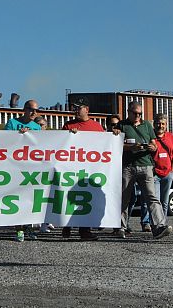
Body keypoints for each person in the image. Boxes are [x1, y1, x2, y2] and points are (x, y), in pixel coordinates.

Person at [118, 102, 172, 240]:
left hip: (146, 165)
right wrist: (131, 147)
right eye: (135, 113)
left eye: (140, 114)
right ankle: (121, 227)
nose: (138, 116)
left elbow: (154, 143)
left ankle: (159, 226)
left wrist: (152, 147)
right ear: (128, 112)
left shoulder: (147, 125)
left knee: (152, 197)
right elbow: (116, 145)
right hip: (128, 166)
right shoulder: (122, 125)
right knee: (125, 197)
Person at [60, 98, 105, 241]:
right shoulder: (68, 125)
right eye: (75, 108)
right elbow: (60, 144)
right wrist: (69, 136)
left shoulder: (97, 127)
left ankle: (84, 230)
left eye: (79, 108)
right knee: (68, 197)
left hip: (89, 169)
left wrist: (115, 135)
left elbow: (105, 146)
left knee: (85, 198)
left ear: (87, 109)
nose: (76, 110)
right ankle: (66, 226)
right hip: (71, 168)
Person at [5, 100, 42, 242]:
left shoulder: (36, 127)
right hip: (15, 166)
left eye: (36, 110)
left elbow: (40, 145)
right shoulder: (12, 123)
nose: (34, 113)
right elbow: (4, 141)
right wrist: (17, 135)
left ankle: (29, 226)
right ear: (24, 110)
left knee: (30, 199)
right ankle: (19, 228)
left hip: (31, 167)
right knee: (17, 198)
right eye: (31, 109)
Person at [139, 114, 173, 231]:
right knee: (154, 200)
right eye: (158, 123)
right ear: (154, 124)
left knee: (165, 202)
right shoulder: (149, 137)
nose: (160, 126)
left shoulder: (171, 137)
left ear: (166, 125)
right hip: (154, 174)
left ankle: (162, 224)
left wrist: (172, 171)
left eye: (163, 123)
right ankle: (153, 224)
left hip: (167, 174)